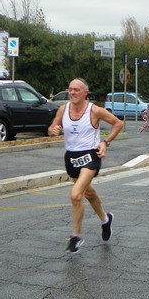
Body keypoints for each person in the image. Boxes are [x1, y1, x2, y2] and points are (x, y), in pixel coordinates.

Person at [48, 78, 123, 253]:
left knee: (76, 195)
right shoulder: (63, 109)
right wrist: (53, 130)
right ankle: (105, 220)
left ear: (85, 93)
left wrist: (105, 142)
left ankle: (75, 237)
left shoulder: (95, 111)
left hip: (90, 155)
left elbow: (118, 124)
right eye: (70, 89)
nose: (72, 93)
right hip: (72, 157)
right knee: (88, 192)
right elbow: (52, 128)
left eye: (76, 90)